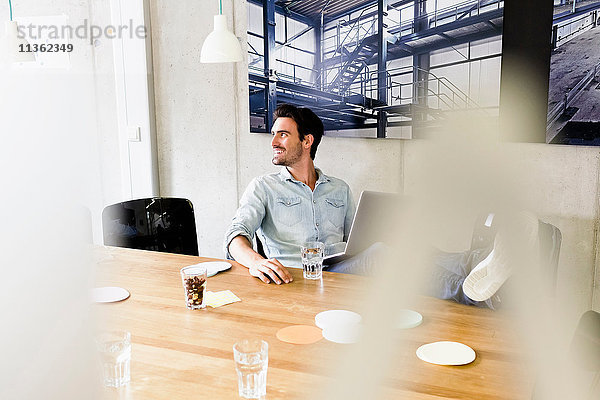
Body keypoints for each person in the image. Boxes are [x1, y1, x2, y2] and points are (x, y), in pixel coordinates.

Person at [224, 104, 539, 309]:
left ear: (307, 141)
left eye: (283, 134)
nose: (274, 140)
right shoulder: (263, 187)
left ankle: (482, 260)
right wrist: (253, 261)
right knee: (381, 256)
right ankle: (468, 292)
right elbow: (236, 234)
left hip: (340, 265)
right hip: (305, 277)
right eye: (274, 133)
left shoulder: (339, 188)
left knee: (409, 246)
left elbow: (356, 237)